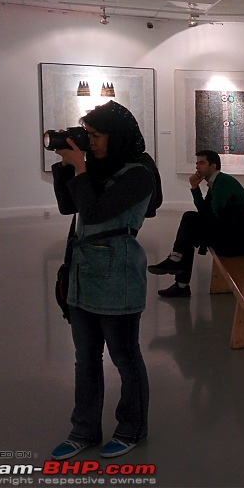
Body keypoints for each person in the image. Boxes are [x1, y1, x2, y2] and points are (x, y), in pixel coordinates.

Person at [50, 100, 162, 461]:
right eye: (89, 135)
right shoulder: (97, 167)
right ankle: (83, 429)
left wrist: (80, 167)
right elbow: (71, 207)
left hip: (118, 278)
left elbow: (95, 214)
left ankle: (132, 427)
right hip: (84, 276)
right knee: (85, 360)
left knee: (125, 359)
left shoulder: (139, 172)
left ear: (117, 136)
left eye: (96, 136)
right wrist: (69, 166)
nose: (91, 142)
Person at [148, 150, 244, 297]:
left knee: (189, 220)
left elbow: (213, 211)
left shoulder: (222, 182)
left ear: (213, 166)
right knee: (190, 228)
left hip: (237, 241)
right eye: (197, 163)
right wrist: (194, 187)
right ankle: (179, 277)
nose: (197, 166)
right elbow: (205, 211)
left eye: (202, 163)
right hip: (230, 234)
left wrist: (201, 201)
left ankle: (178, 272)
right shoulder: (215, 183)